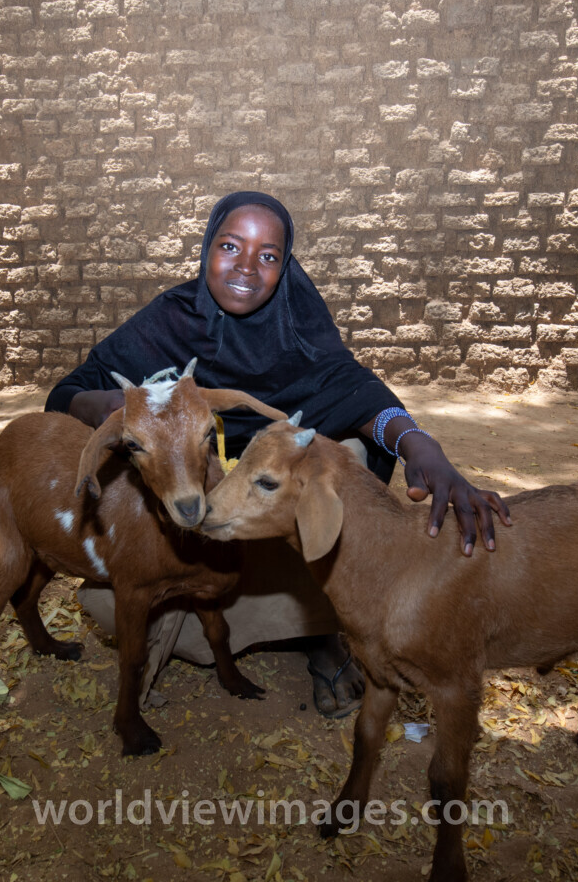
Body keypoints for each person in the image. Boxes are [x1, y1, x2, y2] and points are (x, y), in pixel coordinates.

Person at [45, 191, 511, 716]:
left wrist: (418, 443)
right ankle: (285, 618)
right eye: (230, 246)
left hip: (275, 496)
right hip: (210, 499)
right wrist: (113, 405)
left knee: (345, 463)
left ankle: (320, 633)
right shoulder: (171, 320)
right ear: (206, 250)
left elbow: (357, 394)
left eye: (268, 255)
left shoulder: (298, 325)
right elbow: (66, 392)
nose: (246, 267)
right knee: (112, 606)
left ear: (285, 265)